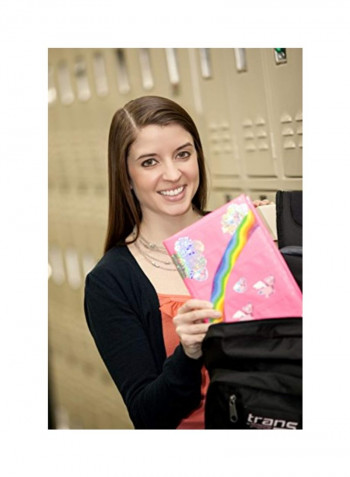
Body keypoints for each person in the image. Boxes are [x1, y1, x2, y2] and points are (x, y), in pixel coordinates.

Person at [84, 95, 266, 429]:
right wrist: (189, 352)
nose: (173, 174)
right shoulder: (111, 281)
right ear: (125, 175)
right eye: (150, 162)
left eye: (183, 154)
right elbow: (147, 414)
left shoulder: (246, 232)